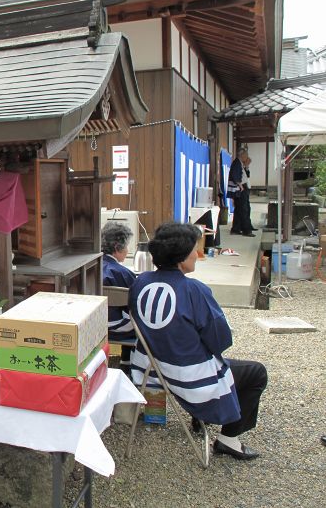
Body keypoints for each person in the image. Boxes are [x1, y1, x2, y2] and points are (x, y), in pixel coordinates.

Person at [129, 222, 267, 460]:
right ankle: (229, 440)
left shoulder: (140, 282)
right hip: (188, 378)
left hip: (150, 371)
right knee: (256, 373)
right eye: (194, 249)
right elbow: (221, 340)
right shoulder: (194, 289)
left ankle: (199, 417)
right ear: (182, 257)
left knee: (188, 345)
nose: (197, 254)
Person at [101, 221, 137, 372]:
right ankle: (127, 362)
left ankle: (125, 360)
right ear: (117, 248)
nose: (128, 250)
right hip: (118, 327)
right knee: (136, 316)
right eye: (126, 246)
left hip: (96, 325)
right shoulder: (123, 273)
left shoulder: (92, 267)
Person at [228, 149, 255, 237]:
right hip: (239, 189)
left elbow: (247, 175)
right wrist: (240, 185)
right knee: (243, 210)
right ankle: (246, 230)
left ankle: (236, 229)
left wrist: (247, 166)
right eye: (246, 155)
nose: (247, 157)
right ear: (241, 155)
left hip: (242, 188)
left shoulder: (241, 163)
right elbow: (234, 176)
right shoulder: (236, 163)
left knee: (240, 210)